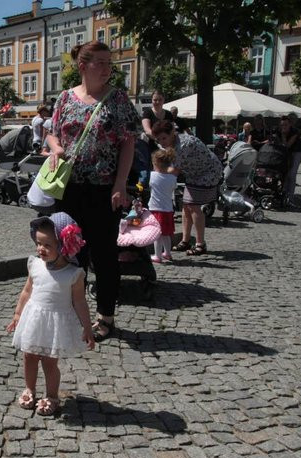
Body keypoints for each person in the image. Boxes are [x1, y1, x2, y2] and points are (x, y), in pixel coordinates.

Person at [45, 41, 139, 342]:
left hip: (103, 190)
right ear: (83, 66)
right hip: (69, 188)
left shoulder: (118, 99)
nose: (107, 68)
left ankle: (105, 317)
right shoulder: (65, 98)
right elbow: (52, 132)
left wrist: (119, 184)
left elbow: (128, 143)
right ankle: (73, 312)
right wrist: (56, 148)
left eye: (109, 62)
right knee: (71, 252)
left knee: (104, 254)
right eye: (100, 62)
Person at [7, 212, 94, 416]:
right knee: (29, 356)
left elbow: (79, 302)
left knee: (49, 361)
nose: (40, 249)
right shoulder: (35, 265)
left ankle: (52, 395)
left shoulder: (73, 274)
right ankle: (29, 388)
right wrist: (18, 315)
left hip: (55, 323)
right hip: (34, 319)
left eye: (47, 245)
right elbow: (27, 291)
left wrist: (87, 327)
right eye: (38, 243)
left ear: (64, 247)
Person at [152, 120, 222, 257]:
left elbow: (173, 170)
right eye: (159, 139)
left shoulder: (182, 145)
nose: (162, 142)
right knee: (185, 205)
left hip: (207, 172)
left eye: (164, 138)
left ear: (172, 133)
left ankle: (201, 244)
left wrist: (154, 174)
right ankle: (185, 240)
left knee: (193, 206)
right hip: (194, 172)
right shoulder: (172, 143)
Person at [148, 148, 178, 263]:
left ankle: (157, 255)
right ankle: (168, 253)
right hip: (168, 209)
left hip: (156, 208)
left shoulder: (153, 176)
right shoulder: (173, 178)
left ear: (156, 164)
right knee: (166, 234)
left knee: (157, 234)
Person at [277, 115, 301, 207]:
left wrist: (283, 135)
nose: (284, 127)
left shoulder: (295, 131)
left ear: (290, 124)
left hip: (295, 152)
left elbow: (287, 145)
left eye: (286, 125)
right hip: (284, 153)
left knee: (292, 174)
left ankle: (290, 198)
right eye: (282, 125)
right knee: (284, 174)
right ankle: (283, 195)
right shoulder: (278, 131)